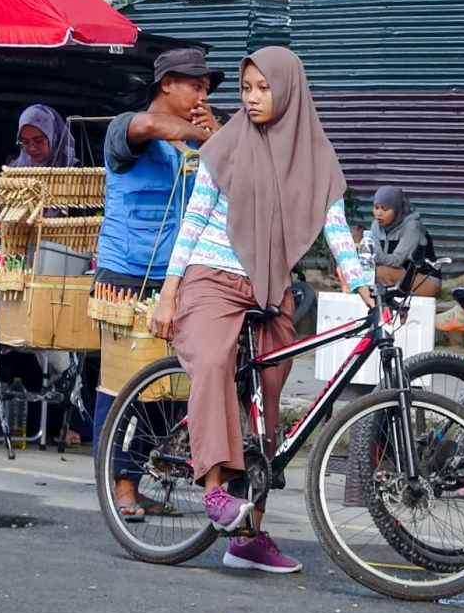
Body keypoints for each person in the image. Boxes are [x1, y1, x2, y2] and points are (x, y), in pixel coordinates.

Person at [150, 46, 370, 575]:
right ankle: (213, 492)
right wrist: (169, 289)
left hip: (270, 289)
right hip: (211, 278)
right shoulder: (225, 146)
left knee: (269, 403)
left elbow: (334, 225)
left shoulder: (315, 154)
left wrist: (360, 282)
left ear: (288, 89)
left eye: (262, 87)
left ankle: (248, 534)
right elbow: (196, 218)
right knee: (212, 361)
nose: (251, 98)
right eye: (246, 88)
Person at [94, 47, 225, 521]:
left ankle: (137, 477)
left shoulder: (201, 137)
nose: (203, 94)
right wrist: (205, 134)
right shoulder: (128, 127)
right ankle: (120, 487)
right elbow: (150, 128)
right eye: (196, 85)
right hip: (125, 276)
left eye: (208, 88)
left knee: (167, 391)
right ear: (166, 83)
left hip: (181, 277)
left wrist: (219, 136)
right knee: (122, 387)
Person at [8, 105, 86, 445]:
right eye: (24, 142)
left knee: (62, 347)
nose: (31, 148)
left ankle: (66, 422)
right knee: (24, 345)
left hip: (64, 268)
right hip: (27, 266)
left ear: (53, 137)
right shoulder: (16, 172)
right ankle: (31, 422)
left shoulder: (75, 176)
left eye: (38, 140)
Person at [369, 185, 440, 297]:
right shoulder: (376, 225)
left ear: (397, 209)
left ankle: (389, 307)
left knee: (382, 272)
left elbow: (397, 260)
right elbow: (376, 257)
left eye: (385, 209)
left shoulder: (412, 226)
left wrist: (371, 256)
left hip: (424, 280)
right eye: (376, 208)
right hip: (399, 276)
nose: (379, 213)